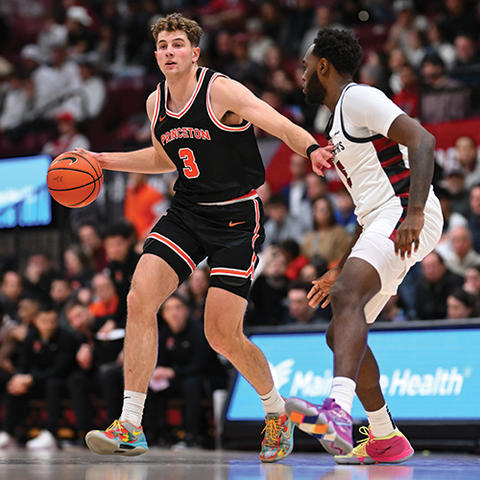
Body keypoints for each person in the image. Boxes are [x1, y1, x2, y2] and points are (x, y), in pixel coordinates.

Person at [79, 13, 333, 461]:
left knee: (221, 335)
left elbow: (276, 123)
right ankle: (131, 424)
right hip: (188, 211)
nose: (169, 52)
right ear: (156, 55)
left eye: (178, 44)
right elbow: (164, 158)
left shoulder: (221, 90)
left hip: (237, 216)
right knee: (139, 299)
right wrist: (102, 159)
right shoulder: (155, 102)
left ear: (194, 52)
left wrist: (311, 148)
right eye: (162, 46)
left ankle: (275, 412)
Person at [284, 28, 443, 465]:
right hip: (382, 216)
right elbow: (367, 208)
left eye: (303, 68)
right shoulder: (335, 120)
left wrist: (414, 213)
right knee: (340, 333)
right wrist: (342, 264)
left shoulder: (358, 98)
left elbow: (424, 140)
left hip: (406, 210)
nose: (300, 77)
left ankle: (337, 411)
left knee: (346, 298)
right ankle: (385, 436)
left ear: (323, 67)